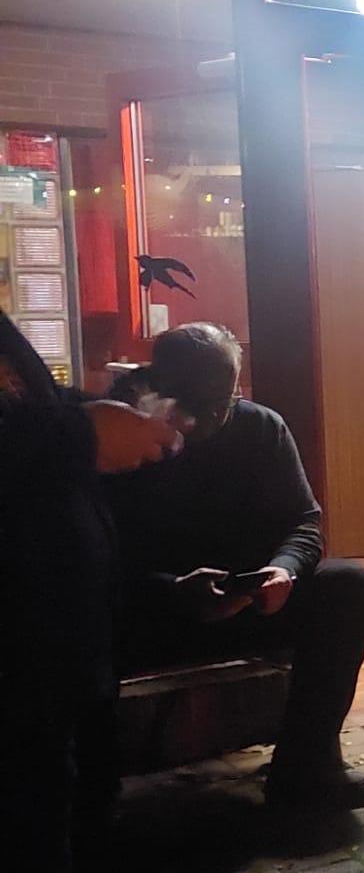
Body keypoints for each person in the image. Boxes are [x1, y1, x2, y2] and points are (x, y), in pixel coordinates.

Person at [104, 322, 364, 809]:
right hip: (148, 615)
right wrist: (171, 591)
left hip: (247, 601)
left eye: (223, 402)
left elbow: (303, 520)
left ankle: (307, 764)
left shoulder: (260, 427)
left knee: (350, 586)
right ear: (158, 386)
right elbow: (93, 558)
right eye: (195, 403)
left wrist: (284, 570)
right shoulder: (118, 439)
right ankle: (86, 788)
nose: (209, 419)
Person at [1, 309, 184, 871]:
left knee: (73, 809)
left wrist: (111, 416)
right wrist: (84, 433)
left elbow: (33, 405)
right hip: (17, 667)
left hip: (60, 648)